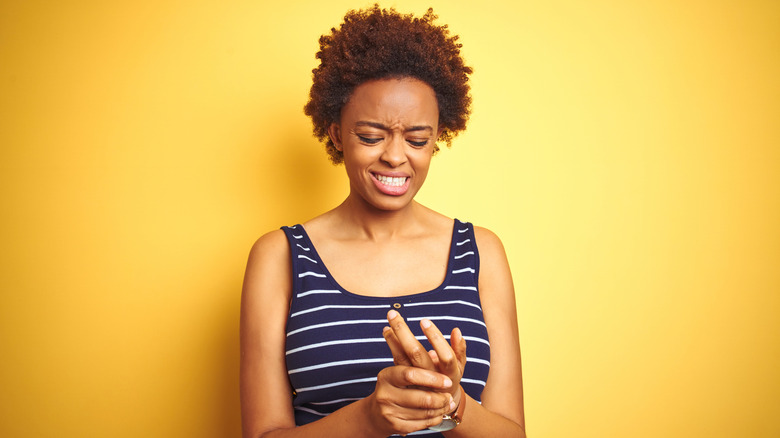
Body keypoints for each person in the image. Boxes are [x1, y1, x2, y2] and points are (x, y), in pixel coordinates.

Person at [240, 5, 525, 437]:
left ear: (437, 138)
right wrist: (370, 417)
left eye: (417, 139)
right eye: (371, 136)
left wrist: (453, 401)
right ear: (336, 133)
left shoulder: (480, 251)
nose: (395, 156)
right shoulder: (279, 258)